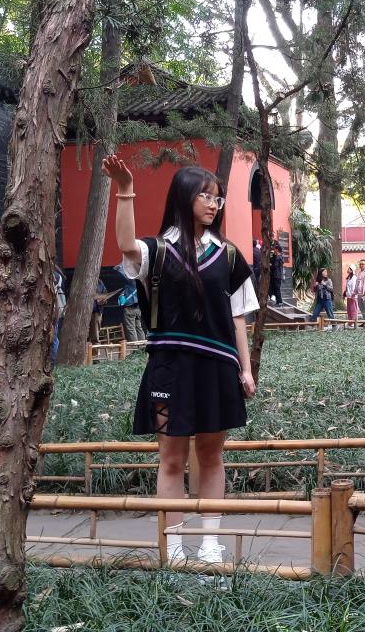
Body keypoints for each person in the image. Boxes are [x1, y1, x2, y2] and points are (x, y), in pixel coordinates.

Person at [102, 155, 257, 565]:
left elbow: (238, 317)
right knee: (171, 459)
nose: (213, 204)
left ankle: (209, 545)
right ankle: (173, 550)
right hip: (169, 368)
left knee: (212, 456)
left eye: (217, 198)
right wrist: (125, 190)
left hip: (217, 368)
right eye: (205, 195)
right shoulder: (157, 251)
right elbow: (126, 245)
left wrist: (245, 368)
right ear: (184, 196)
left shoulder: (229, 256)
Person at [116, 264, 145, 342]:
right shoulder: (141, 280)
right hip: (138, 307)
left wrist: (119, 267)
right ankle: (142, 347)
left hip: (130, 307)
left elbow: (123, 274)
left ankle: (135, 348)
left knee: (131, 328)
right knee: (139, 327)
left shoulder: (132, 280)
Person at [51, 265, 66, 362]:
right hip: (57, 309)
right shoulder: (59, 276)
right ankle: (54, 360)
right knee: (54, 337)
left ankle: (54, 361)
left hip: (53, 309)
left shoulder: (54, 276)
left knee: (54, 338)